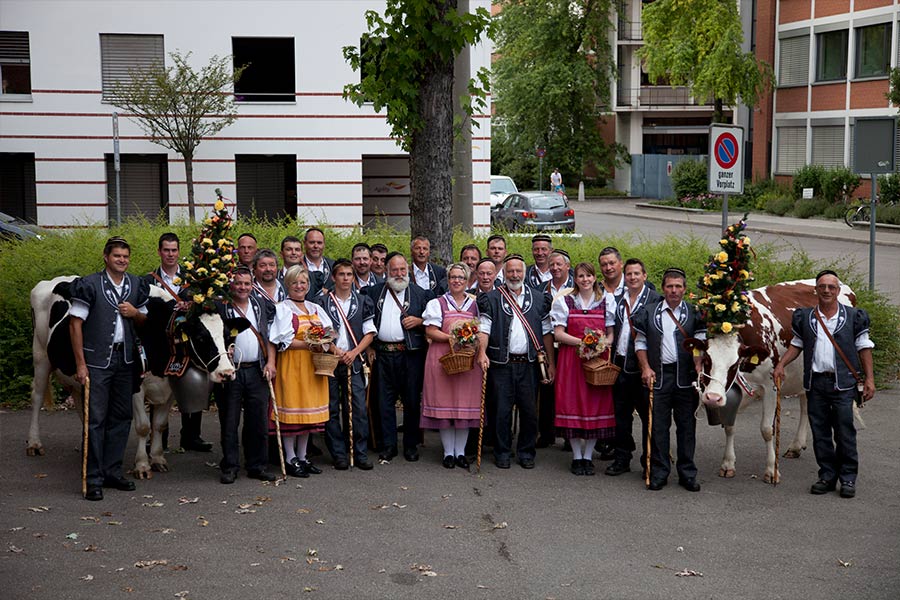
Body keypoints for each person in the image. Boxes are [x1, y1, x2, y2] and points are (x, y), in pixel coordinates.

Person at [773, 270, 875, 498]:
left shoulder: (853, 316)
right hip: (816, 383)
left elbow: (864, 347)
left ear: (838, 290)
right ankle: (827, 476)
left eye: (831, 287)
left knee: (844, 432)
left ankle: (848, 478)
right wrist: (781, 364)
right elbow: (797, 344)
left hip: (843, 384)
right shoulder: (805, 317)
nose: (827, 290)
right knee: (820, 433)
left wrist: (869, 378)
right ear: (816, 290)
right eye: (822, 287)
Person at [70, 237, 150, 500]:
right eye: (117, 256)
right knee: (95, 420)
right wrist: (81, 364)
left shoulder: (136, 284)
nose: (122, 260)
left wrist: (135, 313)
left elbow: (145, 319)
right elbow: (75, 324)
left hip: (125, 360)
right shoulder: (89, 284)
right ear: (106, 257)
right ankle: (93, 478)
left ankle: (112, 472)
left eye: (125, 256)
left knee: (122, 417)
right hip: (97, 362)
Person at [476, 254, 555, 469]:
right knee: (501, 411)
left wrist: (551, 362)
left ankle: (526, 452)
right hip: (501, 364)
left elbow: (547, 332)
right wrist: (481, 352)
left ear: (524, 273)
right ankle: (502, 452)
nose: (514, 275)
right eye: (510, 271)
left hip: (529, 364)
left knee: (529, 411)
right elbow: (484, 329)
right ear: (504, 273)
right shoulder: (492, 298)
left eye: (518, 271)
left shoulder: (539, 298)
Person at [633, 268, 706, 492]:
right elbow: (640, 342)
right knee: (658, 427)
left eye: (678, 286)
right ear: (663, 289)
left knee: (686, 427)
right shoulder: (648, 312)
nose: (674, 290)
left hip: (686, 378)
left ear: (684, 289)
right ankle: (659, 471)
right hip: (658, 376)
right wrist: (645, 368)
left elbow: (700, 342)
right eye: (669, 286)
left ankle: (687, 474)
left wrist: (698, 363)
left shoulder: (694, 313)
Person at [363, 253, 433, 462]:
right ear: (387, 271)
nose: (399, 274)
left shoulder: (420, 294)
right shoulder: (373, 292)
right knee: (384, 402)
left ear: (408, 270)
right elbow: (366, 322)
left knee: (411, 401)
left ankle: (411, 446)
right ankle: (388, 445)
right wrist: (369, 347)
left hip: (410, 355)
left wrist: (419, 321)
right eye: (394, 270)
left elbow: (434, 321)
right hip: (382, 354)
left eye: (403, 269)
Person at [145, 232, 210, 453]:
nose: (170, 254)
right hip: (159, 343)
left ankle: (191, 436)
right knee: (158, 387)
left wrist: (191, 306)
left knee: (193, 383)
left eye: (174, 250)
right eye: (166, 250)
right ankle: (158, 437)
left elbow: (204, 307)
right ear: (159, 252)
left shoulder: (193, 278)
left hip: (187, 342)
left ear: (179, 252)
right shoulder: (148, 280)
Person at [269, 265, 335, 478]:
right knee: (293, 413)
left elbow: (329, 332)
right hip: (293, 366)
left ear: (308, 285)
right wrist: (310, 343)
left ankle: (303, 456)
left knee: (308, 414)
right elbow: (283, 341)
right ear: (288, 285)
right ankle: (290, 458)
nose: (299, 286)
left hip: (313, 366)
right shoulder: (283, 308)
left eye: (303, 282)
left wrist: (324, 342)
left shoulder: (315, 307)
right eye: (295, 282)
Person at [551, 262, 616, 475]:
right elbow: (558, 333)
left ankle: (588, 456)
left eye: (588, 276)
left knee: (594, 405)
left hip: (596, 360)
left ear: (594, 277)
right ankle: (576, 457)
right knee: (572, 404)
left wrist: (601, 345)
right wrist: (583, 343)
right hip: (572, 359)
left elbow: (611, 334)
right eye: (580, 276)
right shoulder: (565, 301)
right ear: (575, 279)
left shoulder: (606, 300)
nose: (585, 279)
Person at [314, 259, 376, 470]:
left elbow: (369, 333)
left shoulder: (363, 301)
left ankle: (359, 453)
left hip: (354, 361)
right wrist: (335, 350)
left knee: (357, 408)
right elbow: (320, 332)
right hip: (330, 361)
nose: (346, 278)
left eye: (349, 274)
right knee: (331, 408)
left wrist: (354, 352)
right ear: (334, 277)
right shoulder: (322, 302)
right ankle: (339, 454)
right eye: (341, 274)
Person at [421, 263, 484, 469]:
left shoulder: (475, 304)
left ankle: (460, 452)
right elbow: (431, 330)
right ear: (447, 280)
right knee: (445, 407)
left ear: (467, 281)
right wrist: (453, 338)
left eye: (461, 277)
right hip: (442, 357)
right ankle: (448, 452)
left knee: (464, 406)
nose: (457, 281)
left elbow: (481, 331)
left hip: (467, 359)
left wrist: (470, 343)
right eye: (453, 277)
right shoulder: (437, 303)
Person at [219, 268, 278, 484]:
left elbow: (270, 337)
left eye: (246, 283)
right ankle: (230, 466)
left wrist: (271, 362)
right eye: (238, 283)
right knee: (229, 421)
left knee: (258, 421)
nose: (242, 287)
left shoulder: (261, 305)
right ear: (231, 285)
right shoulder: (221, 307)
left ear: (252, 285)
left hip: (257, 369)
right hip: (231, 371)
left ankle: (257, 465)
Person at [606, 258, 660, 477]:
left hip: (642, 368)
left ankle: (650, 460)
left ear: (644, 276)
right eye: (629, 274)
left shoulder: (655, 300)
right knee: (621, 416)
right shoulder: (618, 300)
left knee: (649, 417)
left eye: (637, 273)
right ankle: (622, 457)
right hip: (620, 365)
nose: (632, 277)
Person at [535, 248, 574, 449]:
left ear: (568, 266)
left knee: (568, 390)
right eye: (552, 265)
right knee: (547, 387)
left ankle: (568, 434)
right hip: (546, 343)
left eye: (559, 264)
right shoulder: (540, 289)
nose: (555, 268)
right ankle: (546, 432)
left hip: (569, 344)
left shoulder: (576, 288)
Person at [303, 227, 334, 296]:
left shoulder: (333, 266)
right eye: (312, 242)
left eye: (319, 243)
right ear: (304, 243)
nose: (316, 246)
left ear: (324, 244)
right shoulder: (297, 267)